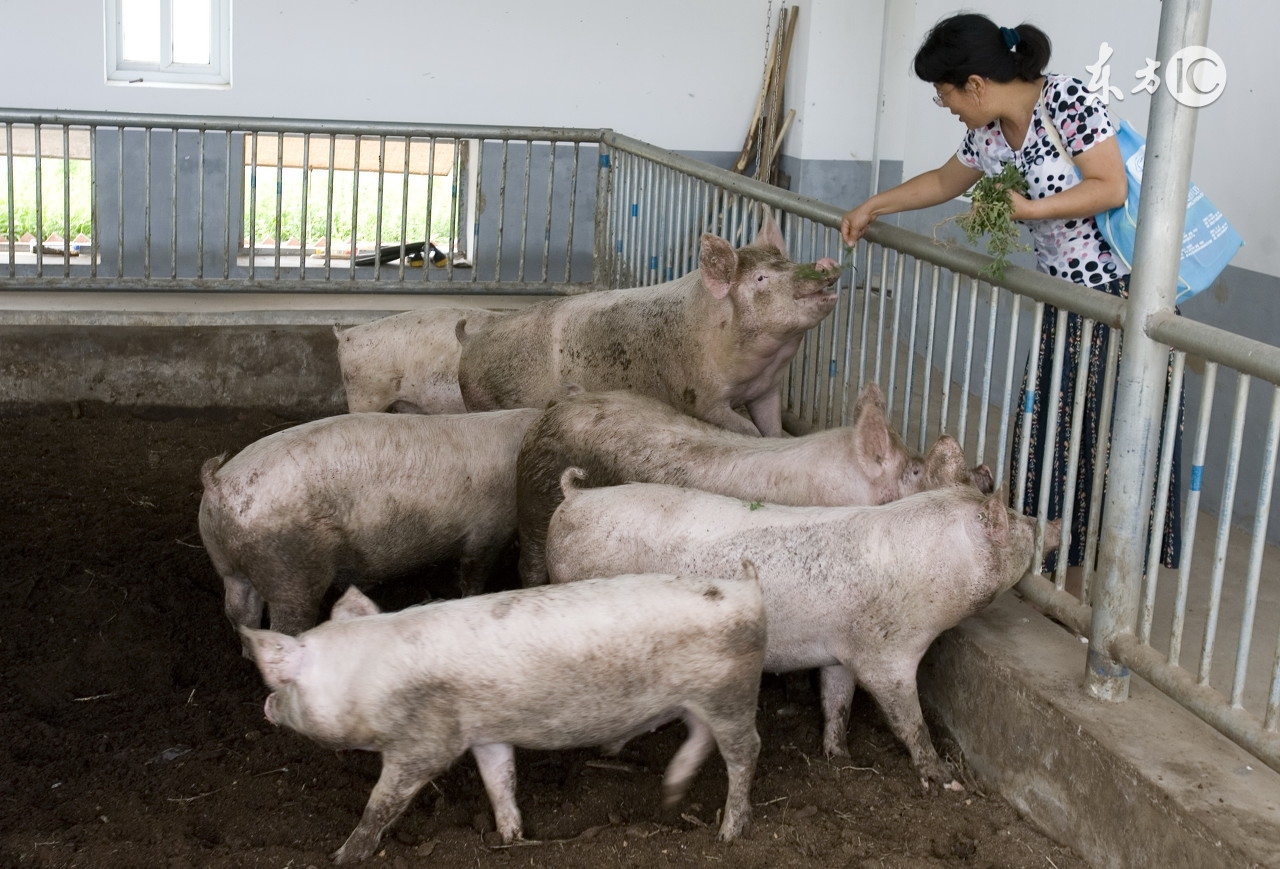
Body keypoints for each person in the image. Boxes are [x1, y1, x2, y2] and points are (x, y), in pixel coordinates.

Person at [840, 12, 1181, 586]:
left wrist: (1028, 209)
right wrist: (874, 205)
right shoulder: (990, 133)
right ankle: (1060, 574)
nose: (946, 105)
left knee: (1113, 444)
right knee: (1052, 438)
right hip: (1063, 302)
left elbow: (1109, 185)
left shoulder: (1067, 100)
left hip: (1115, 298)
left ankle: (1115, 590)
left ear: (975, 84)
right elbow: (944, 181)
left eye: (945, 93)